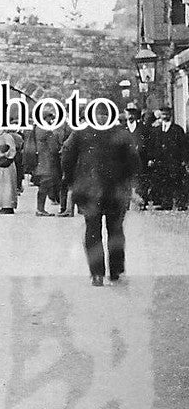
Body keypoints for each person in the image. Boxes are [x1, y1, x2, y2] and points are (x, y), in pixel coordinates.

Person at [61, 122, 141, 286]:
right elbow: (134, 160)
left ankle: (97, 274)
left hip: (89, 190)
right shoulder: (121, 133)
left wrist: (70, 179)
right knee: (116, 230)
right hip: (116, 190)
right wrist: (127, 182)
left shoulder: (80, 133)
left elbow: (66, 155)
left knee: (92, 230)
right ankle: (115, 271)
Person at [148, 106, 187, 210]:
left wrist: (184, 160)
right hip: (161, 161)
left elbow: (183, 146)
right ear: (160, 115)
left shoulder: (177, 130)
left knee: (176, 181)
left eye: (167, 114)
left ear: (170, 115)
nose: (165, 116)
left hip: (174, 160)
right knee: (163, 181)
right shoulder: (156, 131)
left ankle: (180, 203)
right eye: (163, 114)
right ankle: (166, 203)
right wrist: (151, 159)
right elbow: (152, 146)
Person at [30, 119, 63, 216]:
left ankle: (40, 208)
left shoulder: (36, 129)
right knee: (45, 185)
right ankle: (40, 209)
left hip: (40, 161)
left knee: (43, 186)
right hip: (47, 162)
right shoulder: (47, 131)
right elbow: (54, 148)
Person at [0, 129, 18, 213]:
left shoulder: (7, 137)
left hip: (5, 164)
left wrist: (2, 154)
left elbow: (11, 151)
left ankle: (7, 206)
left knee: (6, 186)